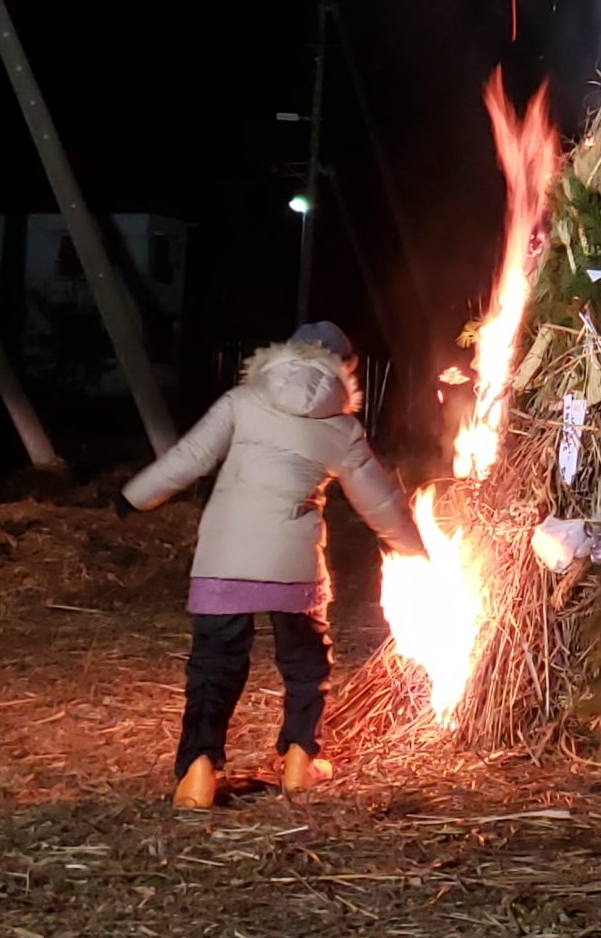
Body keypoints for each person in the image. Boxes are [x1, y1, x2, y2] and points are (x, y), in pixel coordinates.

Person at [118, 320, 426, 808]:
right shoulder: (342, 427)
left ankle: (198, 774)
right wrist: (415, 550)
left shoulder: (241, 402)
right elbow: (379, 500)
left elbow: (190, 457)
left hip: (225, 558)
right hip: (295, 566)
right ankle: (300, 763)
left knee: (214, 666)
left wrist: (135, 498)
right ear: (345, 369)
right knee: (305, 663)